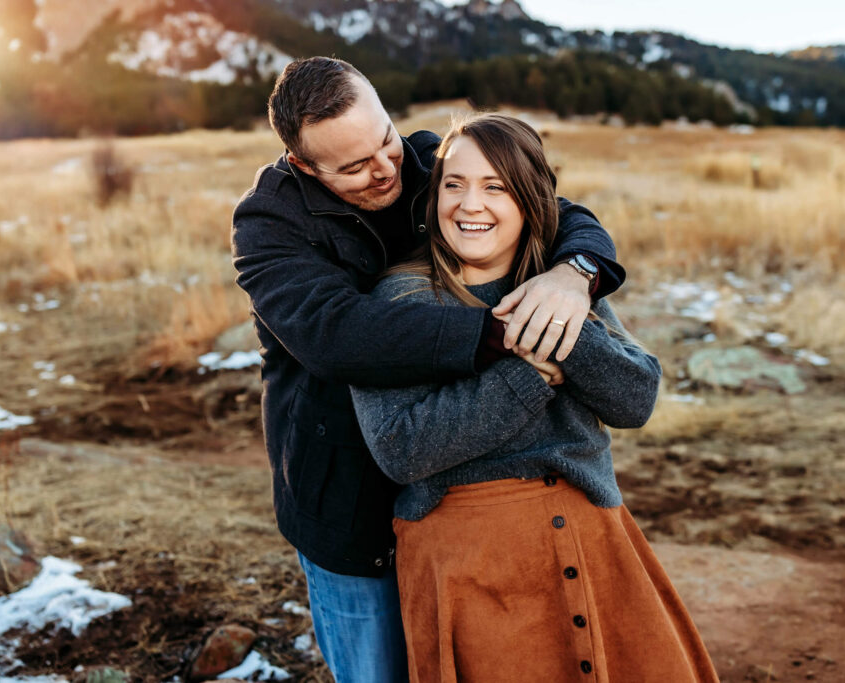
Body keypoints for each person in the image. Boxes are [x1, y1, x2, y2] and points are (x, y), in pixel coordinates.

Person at [231, 57, 625, 682]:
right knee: (378, 672)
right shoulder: (267, 226)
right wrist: (508, 334)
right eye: (355, 166)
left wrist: (575, 275)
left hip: (457, 487)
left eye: (384, 138)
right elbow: (339, 337)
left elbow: (552, 207)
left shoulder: (428, 163)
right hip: (349, 495)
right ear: (304, 165)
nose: (386, 169)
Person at [350, 113, 719, 682]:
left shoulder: (563, 281)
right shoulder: (400, 299)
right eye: (455, 184)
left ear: (530, 199)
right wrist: (528, 375)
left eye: (495, 186)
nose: (470, 205)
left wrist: (563, 307)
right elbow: (402, 447)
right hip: (470, 562)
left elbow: (635, 399)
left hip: (592, 534)